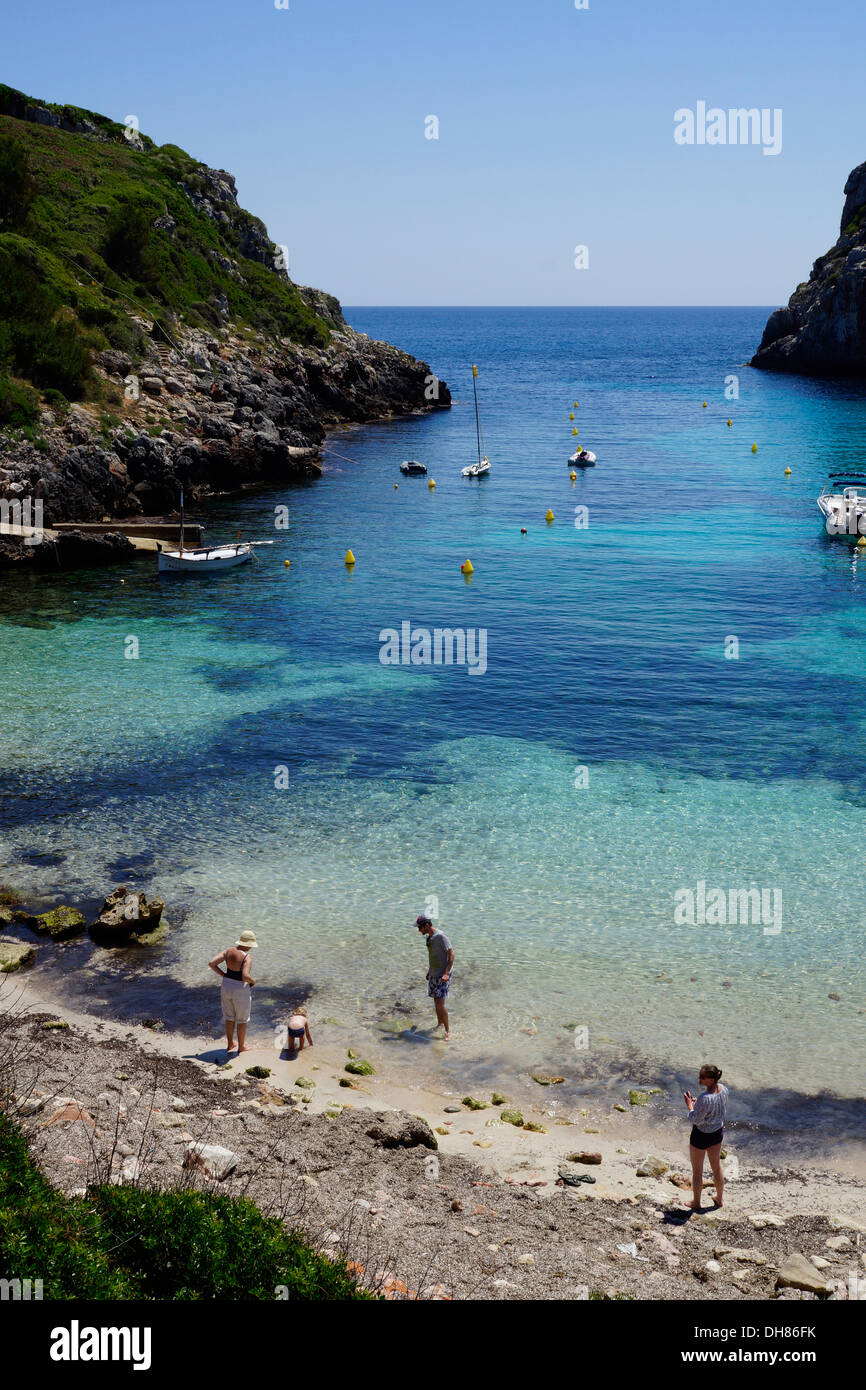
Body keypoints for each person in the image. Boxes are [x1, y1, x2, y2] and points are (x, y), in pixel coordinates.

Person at [683, 1063, 728, 1211]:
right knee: (716, 1168)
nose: (699, 1079)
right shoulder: (723, 1090)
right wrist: (699, 1105)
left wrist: (690, 1105)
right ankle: (719, 1199)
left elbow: (695, 1119)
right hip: (716, 1133)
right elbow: (716, 1109)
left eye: (702, 1077)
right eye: (699, 1075)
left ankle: (696, 1202)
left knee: (697, 1171)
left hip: (701, 1135)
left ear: (711, 1080)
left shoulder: (704, 1098)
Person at [209, 931, 258, 1056]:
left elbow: (212, 963)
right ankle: (241, 1046)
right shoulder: (247, 957)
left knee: (229, 1017)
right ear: (250, 944)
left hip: (226, 985)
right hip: (240, 989)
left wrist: (224, 975)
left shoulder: (228, 951)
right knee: (242, 1019)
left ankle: (230, 1043)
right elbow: (245, 976)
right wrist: (253, 981)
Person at [415, 914, 454, 1041]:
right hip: (434, 973)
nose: (418, 930)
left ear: (427, 925)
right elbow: (433, 956)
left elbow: (451, 955)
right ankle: (440, 1024)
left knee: (439, 1003)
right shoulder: (429, 938)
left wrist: (447, 973)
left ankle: (448, 1031)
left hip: (443, 975)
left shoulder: (441, 936)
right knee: (435, 1002)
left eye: (420, 927)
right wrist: (429, 971)